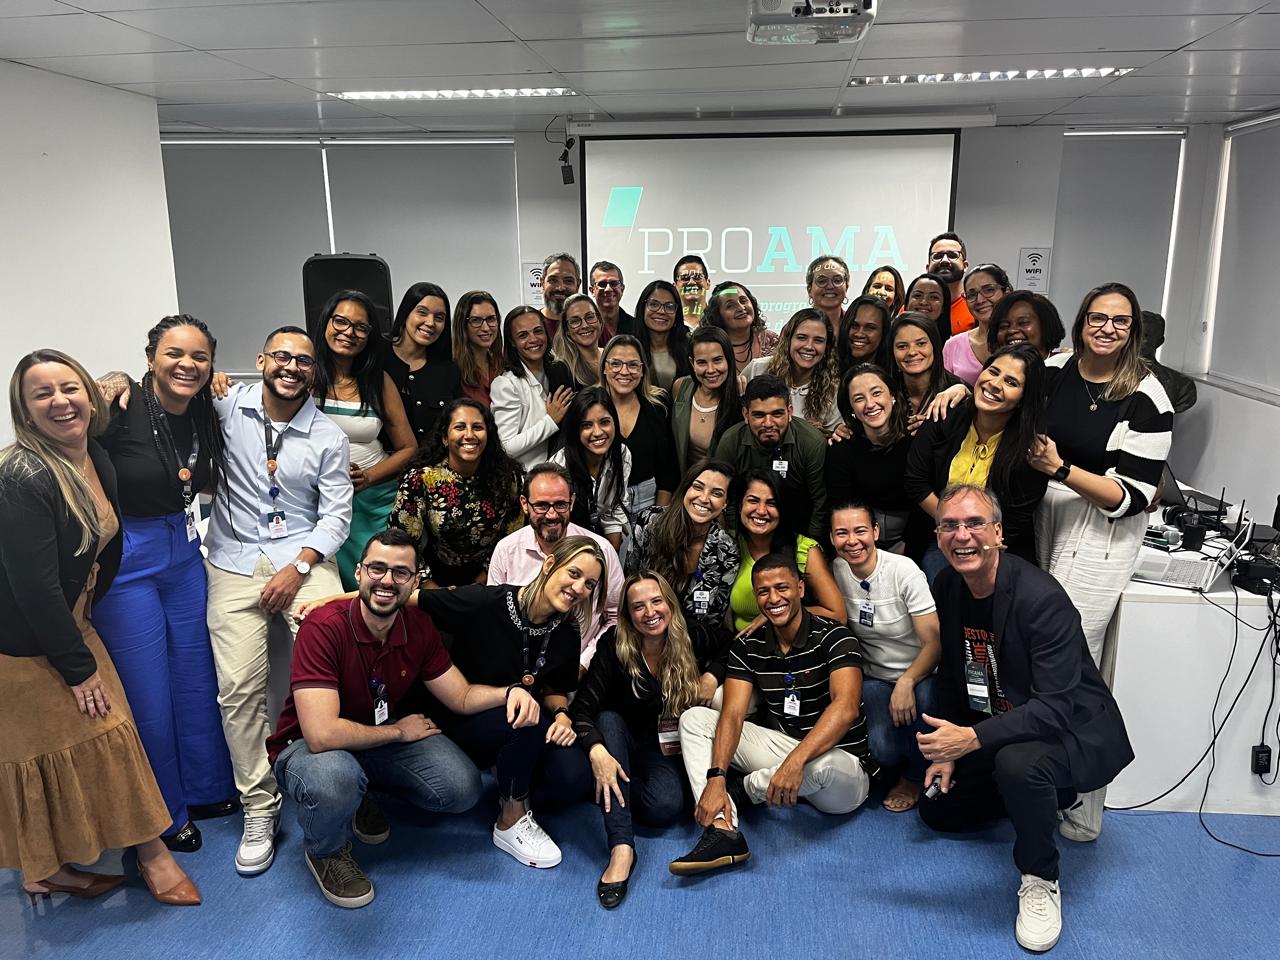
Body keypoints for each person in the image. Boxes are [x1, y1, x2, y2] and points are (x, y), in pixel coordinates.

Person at [0, 349, 201, 906]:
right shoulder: (20, 476)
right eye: (43, 394)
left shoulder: (94, 457)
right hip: (26, 646)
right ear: (24, 410)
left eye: (70, 388)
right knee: (89, 741)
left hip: (72, 623)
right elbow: (34, 589)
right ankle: (152, 856)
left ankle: (46, 870)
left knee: (86, 744)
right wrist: (78, 669)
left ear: (90, 395)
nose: (61, 402)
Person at [918, 484, 1134, 954]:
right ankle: (1048, 797)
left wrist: (970, 740)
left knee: (1018, 765)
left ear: (998, 533)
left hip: (1071, 726)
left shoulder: (1041, 598)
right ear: (938, 537)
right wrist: (948, 750)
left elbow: (1055, 707)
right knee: (938, 811)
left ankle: (1040, 876)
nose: (962, 535)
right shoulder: (948, 585)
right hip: (1003, 716)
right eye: (950, 525)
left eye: (975, 523)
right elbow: (954, 670)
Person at [268, 529, 527, 908]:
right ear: (359, 572)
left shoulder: (418, 627)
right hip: (309, 747)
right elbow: (321, 734)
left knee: (462, 787)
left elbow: (461, 695)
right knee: (335, 779)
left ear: (415, 581)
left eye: (400, 572)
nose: (387, 580)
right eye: (377, 568)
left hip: (376, 738)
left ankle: (363, 795)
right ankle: (326, 851)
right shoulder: (323, 627)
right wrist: (398, 732)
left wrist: (510, 691)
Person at [199, 326, 351, 876]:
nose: (292, 367)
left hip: (302, 555)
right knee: (238, 689)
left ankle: (349, 787)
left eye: (304, 361)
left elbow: (336, 516)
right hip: (233, 559)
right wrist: (119, 381)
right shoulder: (224, 407)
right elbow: (165, 393)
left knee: (342, 659)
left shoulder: (328, 435)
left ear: (314, 372)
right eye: (282, 356)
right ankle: (260, 807)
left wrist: (299, 567)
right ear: (261, 360)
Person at [1027, 283, 1173, 842]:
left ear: (1133, 330)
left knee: (1072, 663)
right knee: (1033, 655)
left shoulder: (1148, 397)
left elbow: (1134, 495)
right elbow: (1000, 392)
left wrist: (1062, 470)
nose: (1107, 328)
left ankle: (1082, 803)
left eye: (1120, 321)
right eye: (1097, 317)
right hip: (1043, 513)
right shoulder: (1055, 370)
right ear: (1082, 321)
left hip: (1099, 529)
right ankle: (1039, 782)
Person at [93, 315, 235, 855]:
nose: (187, 365)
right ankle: (165, 813)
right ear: (150, 357)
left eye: (200, 357)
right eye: (174, 353)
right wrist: (104, 382)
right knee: (148, 694)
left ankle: (205, 788)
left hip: (184, 551)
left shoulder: (203, 409)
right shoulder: (119, 406)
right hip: (128, 558)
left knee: (196, 679)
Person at [669, 553, 878, 875]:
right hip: (785, 750)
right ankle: (722, 829)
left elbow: (846, 708)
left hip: (840, 767)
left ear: (800, 588)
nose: (774, 598)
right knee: (694, 719)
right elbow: (732, 714)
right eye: (764, 591)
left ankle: (746, 790)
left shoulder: (835, 636)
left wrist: (795, 763)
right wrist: (716, 776)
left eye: (782, 588)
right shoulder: (748, 645)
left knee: (823, 766)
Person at [415, 536, 605, 865]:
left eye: (589, 584)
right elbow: (409, 599)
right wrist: (330, 605)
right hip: (464, 713)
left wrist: (562, 715)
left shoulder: (567, 628)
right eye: (573, 574)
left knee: (573, 777)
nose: (579, 588)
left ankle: (511, 775)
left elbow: (554, 688)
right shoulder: (486, 601)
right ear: (549, 565)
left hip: (520, 716)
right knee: (528, 722)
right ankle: (510, 817)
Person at [570, 572, 704, 909]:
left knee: (665, 807)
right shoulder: (614, 644)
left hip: (661, 748)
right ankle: (621, 847)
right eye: (638, 606)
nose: (650, 612)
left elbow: (730, 646)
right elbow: (582, 710)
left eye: (657, 601)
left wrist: (713, 677)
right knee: (608, 719)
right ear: (628, 615)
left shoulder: (691, 635)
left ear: (670, 603)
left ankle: (606, 790)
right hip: (618, 741)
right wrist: (597, 750)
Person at [829, 502, 939, 813]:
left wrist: (907, 681)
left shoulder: (904, 571)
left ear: (876, 532)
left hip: (922, 671)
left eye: (860, 531)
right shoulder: (837, 570)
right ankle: (901, 759)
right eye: (842, 533)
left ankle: (914, 777)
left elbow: (934, 644)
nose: (852, 541)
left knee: (925, 706)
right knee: (884, 751)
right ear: (832, 538)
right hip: (875, 675)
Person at [905, 342, 1048, 578]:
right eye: (993, 372)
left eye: (1011, 382)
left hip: (996, 545)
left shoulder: (1030, 449)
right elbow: (915, 480)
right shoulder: (946, 413)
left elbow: (1015, 520)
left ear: (1024, 398)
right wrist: (952, 527)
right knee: (939, 574)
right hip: (938, 534)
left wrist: (973, 537)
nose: (995, 384)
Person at [308, 290, 417, 591]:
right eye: (341, 321)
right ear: (326, 323)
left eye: (360, 327)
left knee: (377, 583)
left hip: (373, 501)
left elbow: (409, 448)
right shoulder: (306, 375)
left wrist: (367, 477)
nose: (349, 332)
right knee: (330, 588)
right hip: (317, 500)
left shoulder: (378, 381)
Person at [487, 462, 623, 672]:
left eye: (560, 504)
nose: (551, 515)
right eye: (541, 505)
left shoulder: (602, 550)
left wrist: (583, 664)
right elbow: (495, 617)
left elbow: (616, 618)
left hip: (579, 672)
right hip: (516, 669)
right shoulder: (506, 550)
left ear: (572, 502)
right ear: (524, 504)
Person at [389, 397, 522, 587]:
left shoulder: (508, 479)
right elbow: (401, 541)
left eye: (477, 427)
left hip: (492, 576)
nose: (469, 435)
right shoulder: (421, 479)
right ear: (445, 437)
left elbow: (512, 539)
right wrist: (435, 591)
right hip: (432, 578)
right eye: (460, 427)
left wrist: (479, 585)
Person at [625, 460, 739, 670]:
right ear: (685, 489)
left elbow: (712, 622)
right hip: (638, 640)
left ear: (725, 503)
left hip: (689, 651)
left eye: (716, 493)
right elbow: (629, 586)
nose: (704, 498)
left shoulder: (726, 551)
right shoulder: (650, 522)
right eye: (698, 487)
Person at [827, 364, 933, 557]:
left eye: (876, 393)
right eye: (859, 398)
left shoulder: (917, 438)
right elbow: (842, 507)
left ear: (892, 395)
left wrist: (908, 549)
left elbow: (924, 507)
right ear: (851, 408)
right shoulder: (841, 447)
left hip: (915, 538)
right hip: (860, 542)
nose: (870, 404)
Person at [730, 468, 844, 632]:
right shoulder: (730, 545)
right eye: (753, 501)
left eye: (772, 503)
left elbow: (838, 615)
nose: (761, 510)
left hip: (792, 644)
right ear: (740, 505)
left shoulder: (804, 550)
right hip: (740, 644)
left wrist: (775, 613)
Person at [714, 375, 827, 540]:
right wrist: (735, 539)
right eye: (759, 415)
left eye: (777, 414)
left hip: (798, 531)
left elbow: (820, 504)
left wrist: (811, 546)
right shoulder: (731, 441)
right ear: (746, 415)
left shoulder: (811, 443)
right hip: (746, 529)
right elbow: (727, 498)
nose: (768, 423)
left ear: (789, 412)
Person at [601, 335, 679, 525]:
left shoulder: (658, 406)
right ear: (604, 367)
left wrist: (658, 517)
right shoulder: (589, 407)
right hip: (602, 503)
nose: (624, 371)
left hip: (649, 500)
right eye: (616, 364)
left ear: (643, 370)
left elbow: (669, 468)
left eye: (633, 365)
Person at [490, 305, 575, 470]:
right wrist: (550, 421)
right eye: (523, 335)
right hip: (528, 477)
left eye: (538, 331)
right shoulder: (506, 384)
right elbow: (505, 448)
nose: (533, 339)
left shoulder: (559, 370)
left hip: (563, 473)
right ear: (512, 342)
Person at [552, 387, 632, 551]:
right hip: (564, 540)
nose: (597, 432)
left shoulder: (622, 454)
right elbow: (554, 523)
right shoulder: (558, 468)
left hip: (600, 533)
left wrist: (611, 553)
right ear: (576, 430)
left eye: (604, 422)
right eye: (587, 425)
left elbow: (614, 509)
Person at [384, 281, 463, 446]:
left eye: (439, 318)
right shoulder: (377, 353)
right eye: (422, 312)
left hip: (432, 460)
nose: (430, 323)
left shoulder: (448, 370)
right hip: (381, 458)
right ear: (406, 313)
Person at [743, 309, 843, 437]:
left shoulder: (833, 388)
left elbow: (831, 436)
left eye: (818, 340)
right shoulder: (757, 368)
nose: (809, 346)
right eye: (801, 338)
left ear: (826, 347)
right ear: (789, 340)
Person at [670, 325, 744, 476]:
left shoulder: (740, 398)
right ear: (692, 363)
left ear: (729, 359)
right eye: (702, 362)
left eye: (717, 360)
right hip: (684, 484)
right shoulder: (680, 387)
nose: (710, 370)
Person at [890, 312, 967, 435]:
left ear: (934, 345)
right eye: (902, 346)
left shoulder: (958, 392)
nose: (912, 352)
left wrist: (933, 430)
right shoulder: (885, 389)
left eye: (921, 343)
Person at [944, 264, 1012, 385]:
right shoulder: (953, 345)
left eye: (989, 290)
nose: (980, 300)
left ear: (1006, 292)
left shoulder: (1019, 339)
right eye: (971, 294)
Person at [633, 280, 692, 392]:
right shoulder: (629, 346)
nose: (661, 311)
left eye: (669, 306)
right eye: (653, 304)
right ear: (642, 308)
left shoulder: (689, 346)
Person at [702, 281, 779, 365]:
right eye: (730, 305)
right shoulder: (710, 348)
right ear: (718, 315)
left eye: (743, 301)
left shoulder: (771, 340)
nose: (741, 308)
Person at [1139, 309, 1197, 414]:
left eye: (1145, 335)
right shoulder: (1109, 374)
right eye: (1134, 334)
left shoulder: (1182, 385)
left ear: (1159, 342)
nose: (1137, 340)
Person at [453, 290, 504, 407]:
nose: (486, 328)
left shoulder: (503, 365)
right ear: (462, 325)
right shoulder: (453, 371)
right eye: (476, 320)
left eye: (491, 319)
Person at [987, 290, 1067, 360]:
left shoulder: (1066, 367)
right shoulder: (992, 370)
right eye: (1004, 326)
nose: (1011, 330)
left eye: (1023, 323)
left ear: (1046, 326)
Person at [926, 231, 975, 335]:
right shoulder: (912, 306)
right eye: (937, 256)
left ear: (965, 266)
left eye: (952, 255)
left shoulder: (977, 307)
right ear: (927, 267)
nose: (944, 260)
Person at [553, 292, 604, 389]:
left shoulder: (612, 356)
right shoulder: (561, 369)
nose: (585, 325)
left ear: (600, 321)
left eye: (590, 317)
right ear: (567, 330)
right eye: (575, 321)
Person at [837, 294, 894, 375]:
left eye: (870, 328)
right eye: (854, 325)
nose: (859, 334)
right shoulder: (829, 370)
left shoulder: (893, 376)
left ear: (884, 333)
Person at [589, 260, 634, 344]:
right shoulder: (586, 328)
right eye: (602, 284)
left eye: (614, 283)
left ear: (622, 289)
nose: (608, 289)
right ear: (592, 290)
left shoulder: (637, 327)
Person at [540, 252, 581, 340]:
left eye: (568, 281)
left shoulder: (591, 326)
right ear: (542, 283)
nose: (560, 288)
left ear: (578, 284)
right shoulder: (530, 325)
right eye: (553, 280)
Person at [806, 255, 851, 330]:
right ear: (809, 290)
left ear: (846, 288)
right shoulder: (795, 328)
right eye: (822, 281)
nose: (830, 286)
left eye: (837, 280)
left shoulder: (856, 326)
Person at [673, 254, 710, 327]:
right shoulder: (667, 321)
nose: (691, 282)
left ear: (708, 283)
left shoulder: (720, 319)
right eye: (685, 278)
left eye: (698, 277)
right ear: (675, 286)